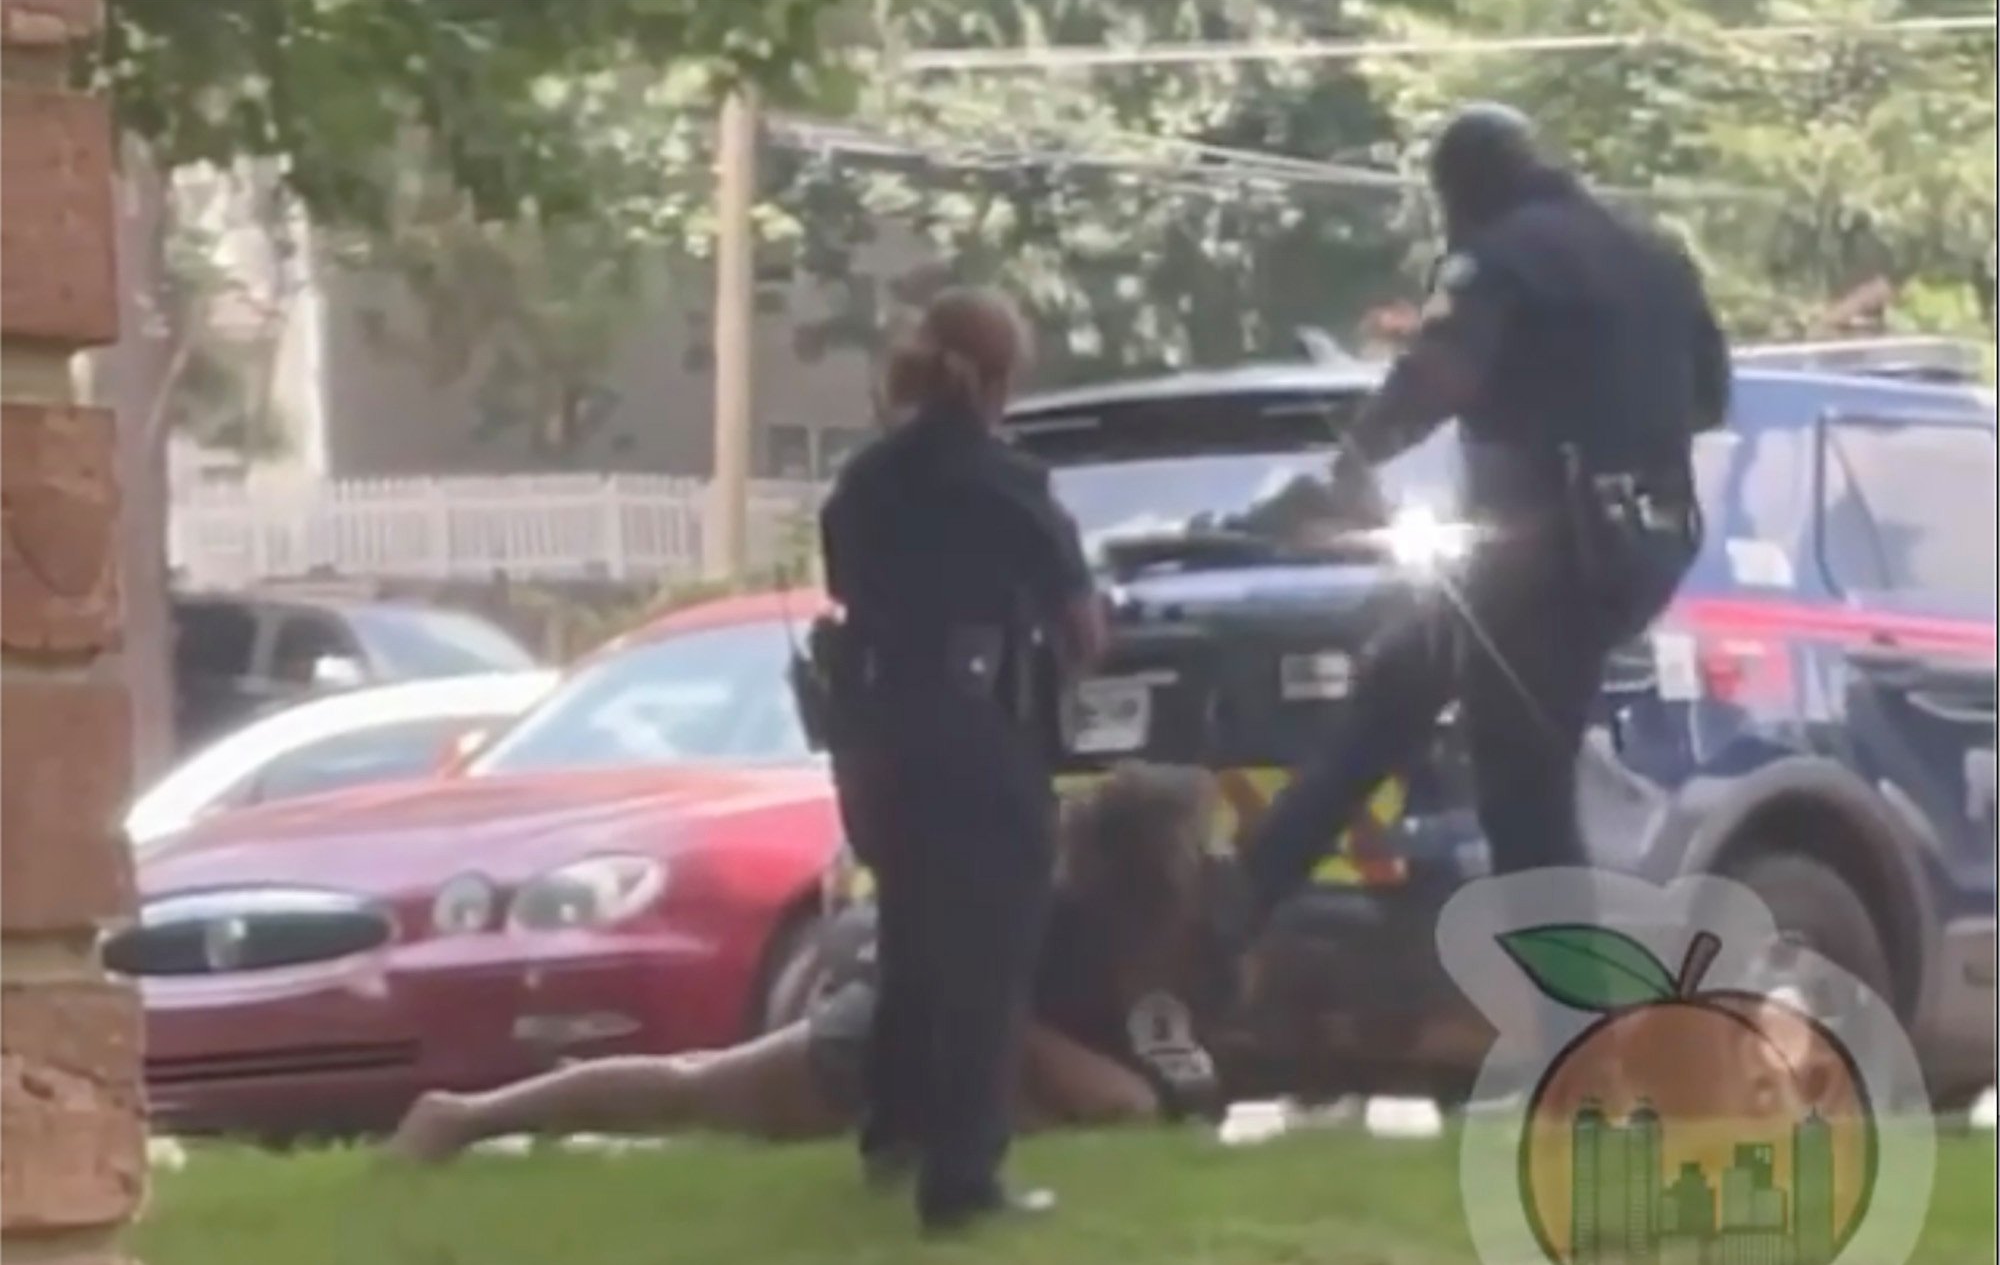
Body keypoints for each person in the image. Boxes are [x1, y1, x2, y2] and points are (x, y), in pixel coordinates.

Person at [1239, 105, 1729, 992]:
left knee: (1524, 794)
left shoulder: (1500, 257)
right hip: (1633, 546)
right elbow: (1709, 398)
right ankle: (1227, 921)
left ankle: (1574, 1039)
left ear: (1460, 190)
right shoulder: (1657, 258)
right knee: (1393, 696)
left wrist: (1350, 463)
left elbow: (1439, 375)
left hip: (1537, 554)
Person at [385, 764, 1229, 1163]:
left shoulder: (1136, 931)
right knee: (692, 1089)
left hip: (981, 1062)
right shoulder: (1042, 915)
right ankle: (463, 1115)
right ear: (1149, 859)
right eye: (1203, 844)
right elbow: (988, 1010)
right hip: (884, 1040)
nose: (1217, 857)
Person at [814, 288, 1108, 1233]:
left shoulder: (861, 483)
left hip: (877, 735)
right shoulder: (1008, 482)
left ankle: (891, 1133)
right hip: (980, 735)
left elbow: (848, 591)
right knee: (988, 949)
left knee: (910, 931)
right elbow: (1083, 625)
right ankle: (964, 1177)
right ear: (1000, 377)